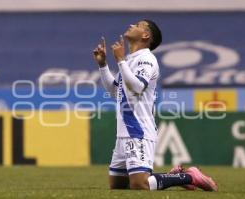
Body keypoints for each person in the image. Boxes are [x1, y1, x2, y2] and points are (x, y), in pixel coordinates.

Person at [93, 19, 218, 191]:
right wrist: (103, 65)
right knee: (118, 186)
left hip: (139, 131)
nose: (131, 26)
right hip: (124, 132)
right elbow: (116, 92)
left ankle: (189, 176)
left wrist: (120, 60)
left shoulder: (147, 59)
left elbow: (137, 86)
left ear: (145, 35)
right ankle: (174, 176)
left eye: (138, 25)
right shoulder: (130, 60)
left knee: (140, 184)